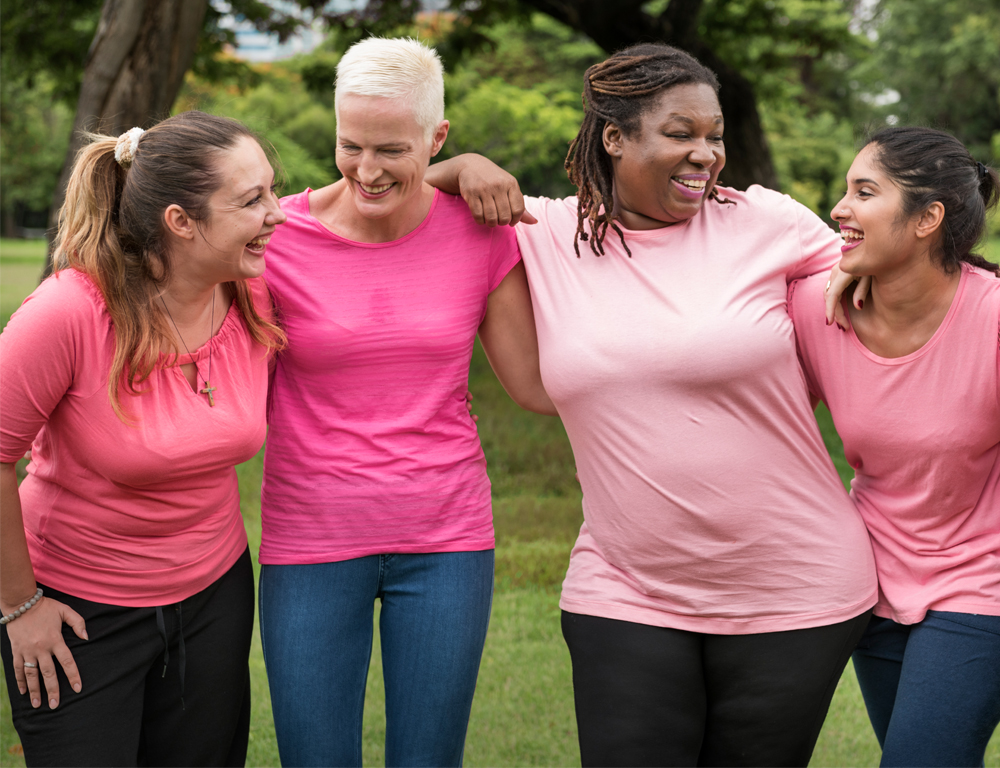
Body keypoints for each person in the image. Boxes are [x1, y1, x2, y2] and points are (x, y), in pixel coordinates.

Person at [425, 43, 878, 767]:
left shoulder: (769, 224)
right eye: (681, 133)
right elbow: (378, 191)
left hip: (796, 587)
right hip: (625, 588)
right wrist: (457, 165)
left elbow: (890, 286)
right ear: (614, 136)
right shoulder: (544, 234)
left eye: (715, 136)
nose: (706, 154)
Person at [257, 37, 552, 767]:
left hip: (446, 539)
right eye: (349, 145)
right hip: (311, 539)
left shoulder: (480, 233)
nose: (365, 169)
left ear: (437, 137)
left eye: (392, 148)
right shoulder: (276, 239)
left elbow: (534, 386)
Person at [0, 111, 287, 766]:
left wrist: (454, 167)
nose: (278, 214)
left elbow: (361, 205)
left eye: (272, 190)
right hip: (76, 611)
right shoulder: (69, 313)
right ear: (181, 222)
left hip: (214, 596)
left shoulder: (249, 291)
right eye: (252, 200)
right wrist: (19, 608)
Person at [788, 126, 1000, 767]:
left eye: (864, 192)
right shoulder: (813, 310)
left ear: (927, 218)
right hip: (872, 584)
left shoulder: (992, 321)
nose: (838, 209)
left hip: (982, 582)